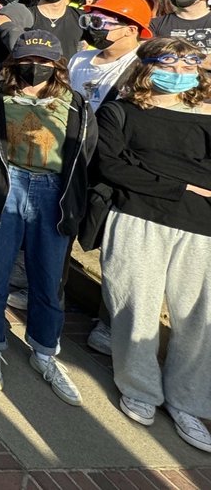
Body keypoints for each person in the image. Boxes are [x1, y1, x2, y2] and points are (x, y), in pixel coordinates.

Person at [95, 38, 211, 452]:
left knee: (197, 318)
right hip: (137, 217)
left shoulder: (207, 116)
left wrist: (153, 173)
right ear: (146, 68)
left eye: (188, 66)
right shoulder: (120, 111)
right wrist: (183, 186)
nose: (179, 73)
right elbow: (110, 164)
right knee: (135, 306)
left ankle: (189, 400)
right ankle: (140, 388)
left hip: (201, 228)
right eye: (169, 64)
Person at [0, 31, 95, 406]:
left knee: (49, 277)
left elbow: (85, 153)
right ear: (13, 63)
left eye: (42, 62)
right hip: (6, 185)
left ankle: (44, 350)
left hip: (52, 191)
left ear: (57, 65)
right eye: (25, 61)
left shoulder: (76, 105)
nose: (33, 68)